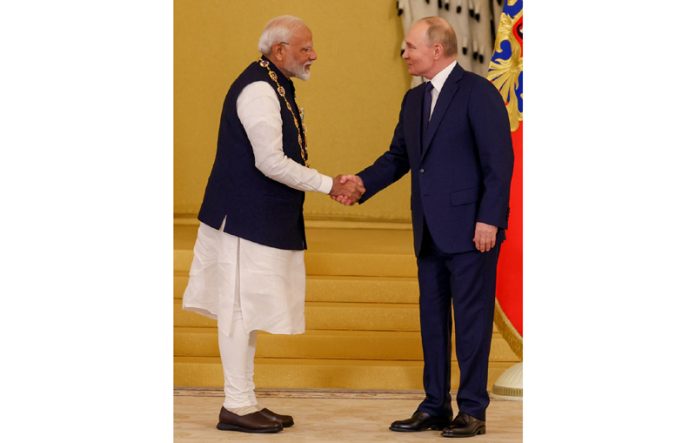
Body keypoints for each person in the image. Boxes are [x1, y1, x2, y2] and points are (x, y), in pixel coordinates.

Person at [181, 15, 364, 434]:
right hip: (243, 220)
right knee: (237, 310)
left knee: (246, 311)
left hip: (256, 218)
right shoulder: (260, 89)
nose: (313, 55)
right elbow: (270, 162)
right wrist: (327, 184)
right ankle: (236, 404)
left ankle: (243, 401)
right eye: (305, 48)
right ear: (278, 51)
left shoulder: (272, 82)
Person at [335, 16, 513, 438]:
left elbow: (498, 164)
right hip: (429, 232)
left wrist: (489, 219)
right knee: (432, 323)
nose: (404, 53)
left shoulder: (478, 92)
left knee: (470, 324)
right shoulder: (413, 101)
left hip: (473, 233)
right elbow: (398, 157)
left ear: (437, 49)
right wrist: (361, 184)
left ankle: (472, 411)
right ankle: (434, 405)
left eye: (410, 46)